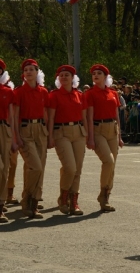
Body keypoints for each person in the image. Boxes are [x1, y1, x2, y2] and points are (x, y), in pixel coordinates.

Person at [48, 65, 88, 215]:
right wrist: (50, 136)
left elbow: (84, 117)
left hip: (79, 131)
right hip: (61, 132)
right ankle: (63, 197)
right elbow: (51, 117)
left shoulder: (79, 95)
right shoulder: (54, 95)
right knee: (70, 167)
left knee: (77, 169)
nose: (64, 77)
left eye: (67, 75)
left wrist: (88, 134)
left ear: (73, 78)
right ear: (58, 78)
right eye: (61, 75)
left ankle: (74, 201)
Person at [86, 64, 124, 212]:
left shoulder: (113, 93)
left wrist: (120, 136)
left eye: (99, 73)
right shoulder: (90, 94)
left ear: (105, 76)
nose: (95, 75)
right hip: (98, 129)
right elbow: (89, 117)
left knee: (112, 166)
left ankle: (106, 196)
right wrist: (90, 137)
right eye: (94, 73)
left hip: (113, 129)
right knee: (108, 161)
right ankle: (103, 193)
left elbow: (116, 115)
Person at [14, 59, 49, 219]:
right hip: (25, 130)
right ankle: (27, 198)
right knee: (35, 167)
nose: (28, 72)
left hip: (40, 130)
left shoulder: (43, 92)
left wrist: (49, 134)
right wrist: (16, 137)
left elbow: (46, 114)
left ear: (37, 72)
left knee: (39, 167)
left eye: (31, 70)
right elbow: (14, 117)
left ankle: (33, 203)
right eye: (26, 70)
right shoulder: (19, 92)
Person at [0, 59, 18, 223]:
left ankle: (1, 204)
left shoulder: (7, 91)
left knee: (4, 167)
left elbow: (12, 117)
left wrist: (13, 139)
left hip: (4, 128)